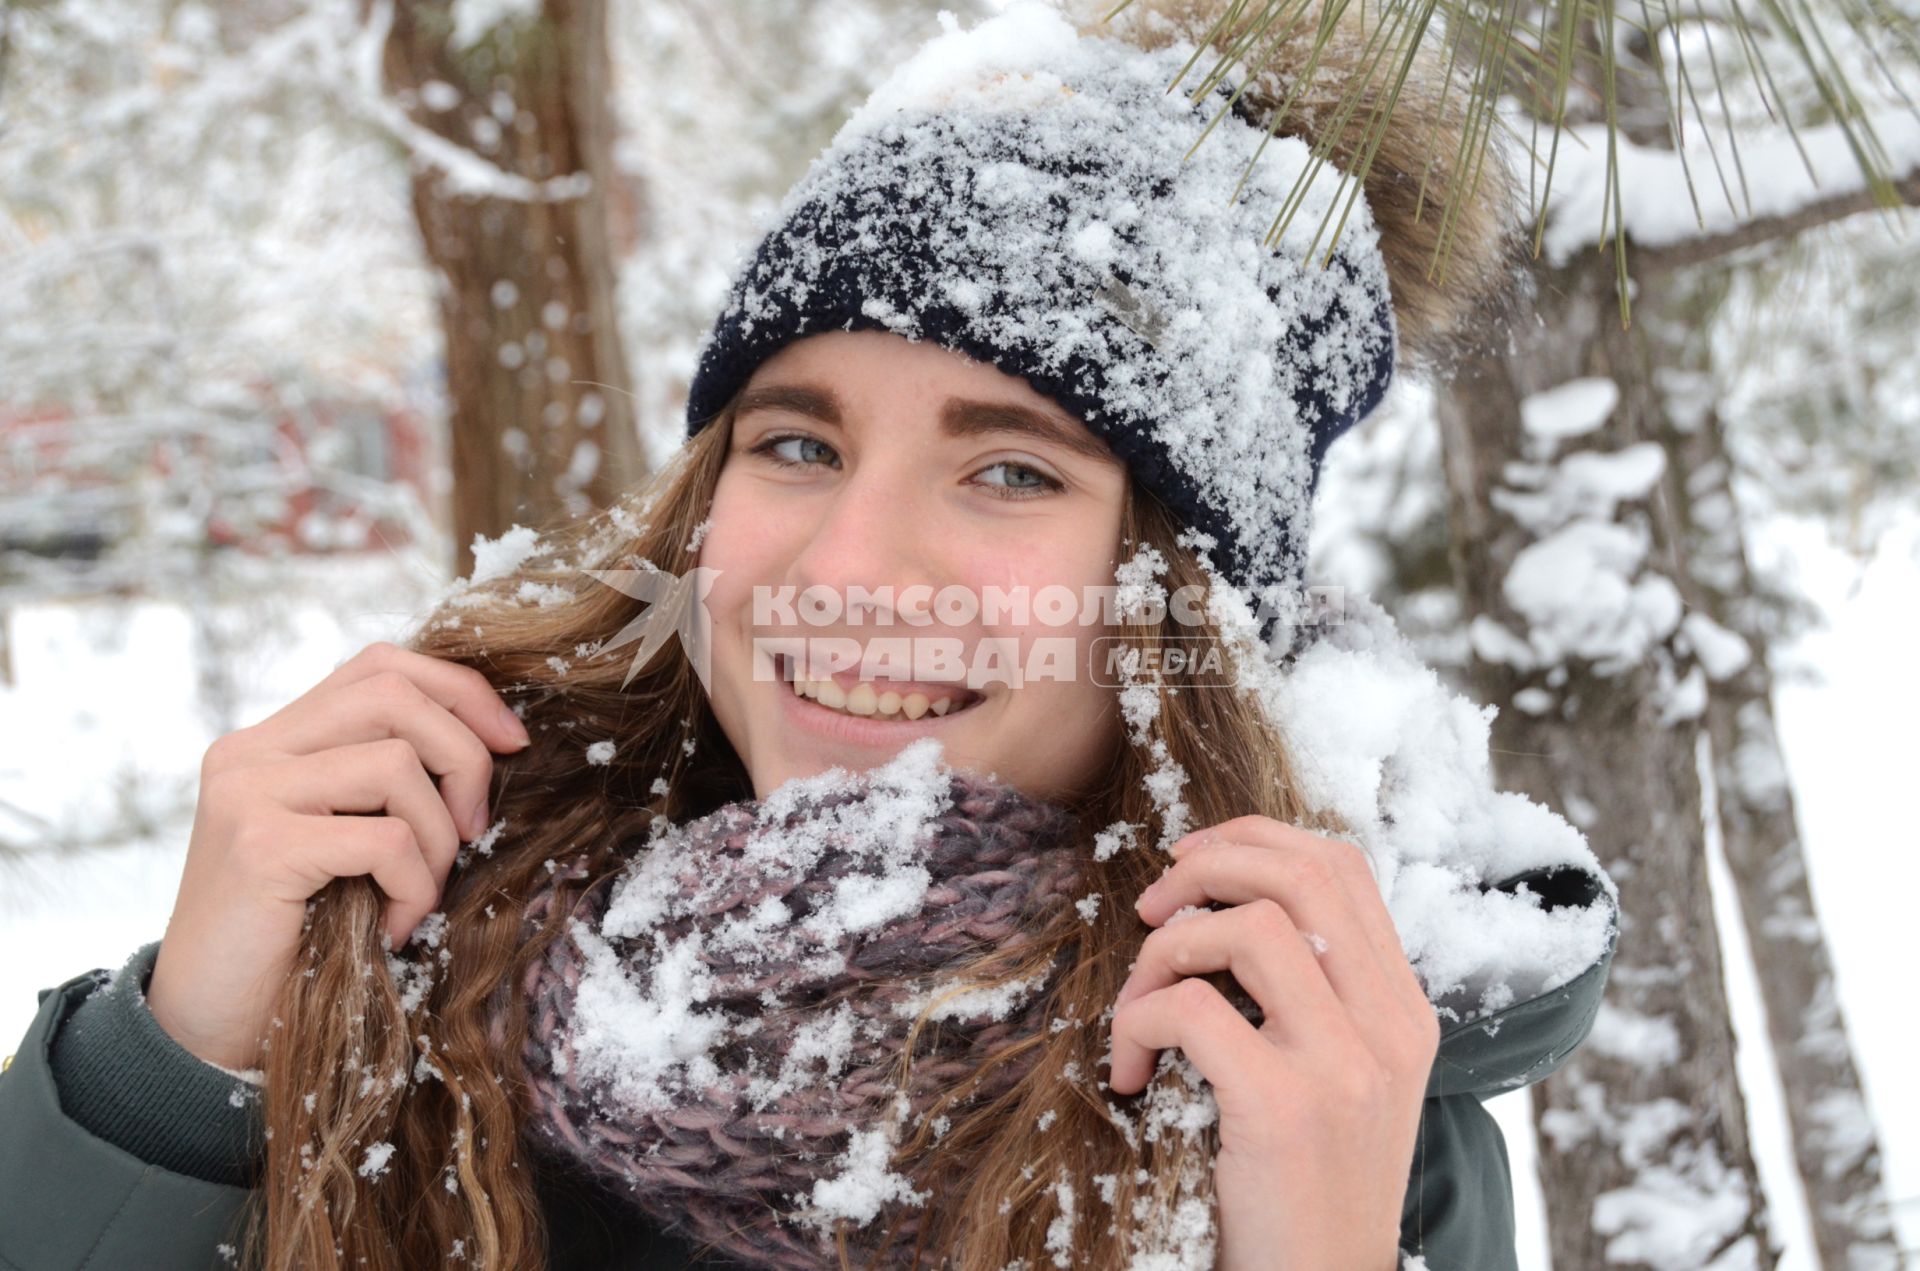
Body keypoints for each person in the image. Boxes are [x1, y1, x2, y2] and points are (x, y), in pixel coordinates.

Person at [0, 2, 1619, 1268]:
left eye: (1008, 469)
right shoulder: (427, 937)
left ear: (1183, 596)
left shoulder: (1316, 1081)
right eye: (798, 442)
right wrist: (173, 1076)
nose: (849, 563)